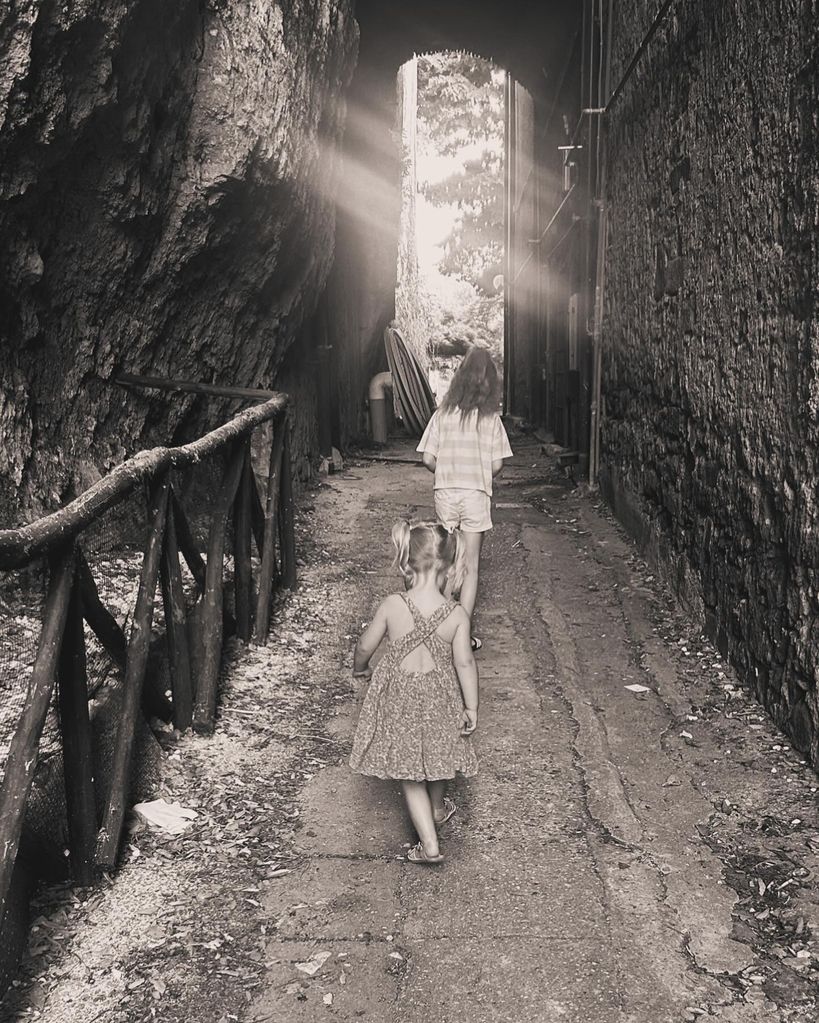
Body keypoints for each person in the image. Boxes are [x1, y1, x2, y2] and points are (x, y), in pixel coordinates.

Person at [350, 520, 479, 865]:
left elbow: (366, 645)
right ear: (449, 567)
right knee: (439, 757)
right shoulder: (456, 614)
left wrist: (359, 667)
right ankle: (437, 809)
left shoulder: (393, 604)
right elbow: (465, 664)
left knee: (410, 775)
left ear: (407, 562)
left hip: (400, 699)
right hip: (442, 697)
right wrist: (472, 708)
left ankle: (429, 845)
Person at [416, 346, 513, 650]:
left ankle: (441, 628)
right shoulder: (491, 421)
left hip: (446, 492)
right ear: (490, 384)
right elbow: (497, 464)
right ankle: (461, 634)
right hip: (475, 494)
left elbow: (428, 459)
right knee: (470, 566)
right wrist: (479, 472)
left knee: (446, 560)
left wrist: (447, 470)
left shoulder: (442, 415)